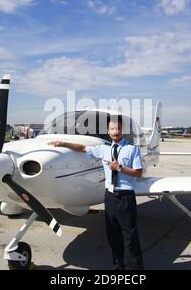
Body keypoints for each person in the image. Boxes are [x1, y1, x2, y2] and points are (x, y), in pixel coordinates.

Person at [49, 115, 144, 270]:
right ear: (108, 130)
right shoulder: (103, 149)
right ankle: (118, 269)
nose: (115, 131)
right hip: (110, 196)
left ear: (122, 130)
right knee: (113, 236)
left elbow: (138, 173)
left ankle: (135, 271)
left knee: (130, 238)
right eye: (112, 128)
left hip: (126, 197)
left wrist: (120, 168)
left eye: (118, 128)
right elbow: (82, 148)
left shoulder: (132, 149)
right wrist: (63, 143)